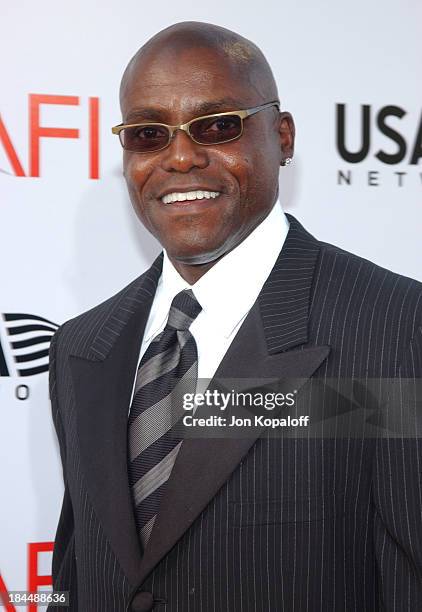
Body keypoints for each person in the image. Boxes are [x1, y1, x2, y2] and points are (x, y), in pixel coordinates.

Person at [48, 21, 422, 612]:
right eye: (148, 134)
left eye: (217, 126)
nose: (179, 156)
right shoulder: (81, 347)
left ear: (283, 136)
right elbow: (76, 578)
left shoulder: (398, 329)